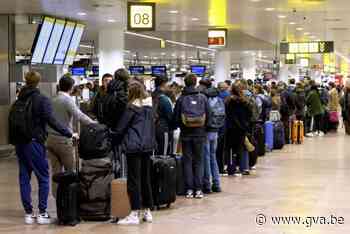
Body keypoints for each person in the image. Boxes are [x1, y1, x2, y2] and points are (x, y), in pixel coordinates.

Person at [10, 71, 72, 225]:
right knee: (43, 177)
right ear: (38, 82)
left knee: (24, 177)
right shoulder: (41, 99)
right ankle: (43, 212)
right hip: (34, 143)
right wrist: (68, 133)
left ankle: (29, 213)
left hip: (20, 143)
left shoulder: (19, 99)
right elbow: (51, 120)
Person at [112, 80, 156, 225]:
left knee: (134, 180)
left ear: (131, 92)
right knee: (146, 178)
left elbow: (120, 129)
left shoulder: (131, 108)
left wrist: (112, 139)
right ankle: (147, 211)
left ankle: (134, 213)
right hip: (148, 146)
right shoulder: (150, 108)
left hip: (133, 146)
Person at [47, 74, 95, 198]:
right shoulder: (67, 100)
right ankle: (71, 199)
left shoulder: (52, 100)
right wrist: (95, 124)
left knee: (56, 172)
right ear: (71, 87)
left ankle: (58, 199)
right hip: (64, 141)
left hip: (50, 140)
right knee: (70, 171)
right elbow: (79, 116)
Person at [173, 73, 209, 199]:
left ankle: (189, 189)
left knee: (187, 161)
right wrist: (204, 129)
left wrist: (180, 127)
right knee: (199, 161)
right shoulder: (203, 98)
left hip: (186, 134)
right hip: (200, 134)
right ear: (195, 83)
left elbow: (176, 118)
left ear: (185, 83)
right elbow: (208, 115)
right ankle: (198, 189)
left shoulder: (181, 99)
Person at [225, 84, 252, 176]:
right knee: (241, 147)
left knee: (230, 149)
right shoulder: (246, 102)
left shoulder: (228, 101)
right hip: (242, 129)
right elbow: (249, 115)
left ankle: (231, 168)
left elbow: (227, 115)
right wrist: (245, 125)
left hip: (231, 128)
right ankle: (242, 167)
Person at [202, 83, 223, 194]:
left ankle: (207, 184)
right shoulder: (219, 100)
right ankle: (217, 184)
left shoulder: (205, 99)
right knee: (213, 157)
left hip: (206, 131)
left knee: (206, 157)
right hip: (216, 131)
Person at [152, 76, 174, 155]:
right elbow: (170, 116)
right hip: (163, 129)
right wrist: (173, 128)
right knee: (163, 155)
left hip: (152, 128)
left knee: (154, 153)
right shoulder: (164, 99)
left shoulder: (151, 95)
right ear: (163, 84)